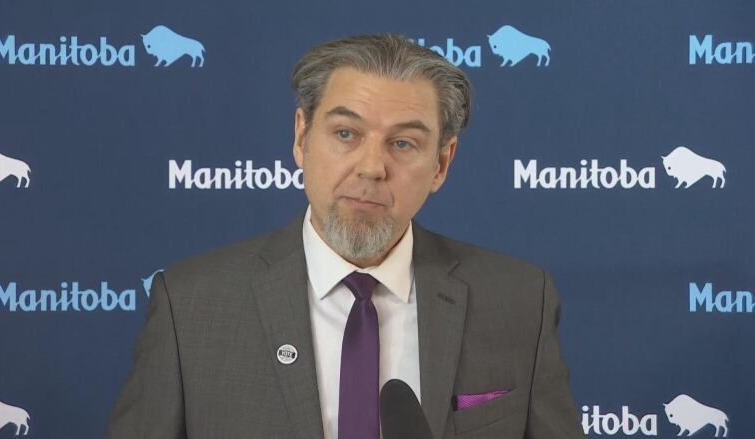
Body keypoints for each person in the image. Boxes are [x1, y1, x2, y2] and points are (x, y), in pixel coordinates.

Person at [107, 33, 584, 439]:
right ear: (301, 137)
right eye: (345, 134)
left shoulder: (520, 301)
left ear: (442, 163)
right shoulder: (191, 305)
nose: (372, 168)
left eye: (403, 143)